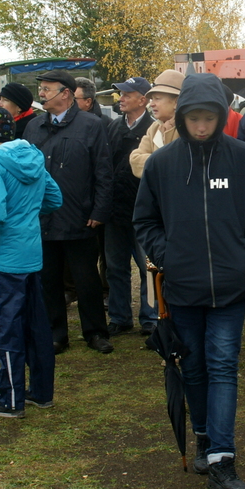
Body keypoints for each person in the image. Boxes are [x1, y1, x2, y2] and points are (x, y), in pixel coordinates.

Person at [133, 72, 245, 489]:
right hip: (183, 286)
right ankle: (203, 436)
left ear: (219, 116)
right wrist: (170, 255)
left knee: (223, 367)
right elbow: (145, 221)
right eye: (193, 118)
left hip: (231, 288)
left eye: (208, 118)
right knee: (192, 366)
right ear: (183, 115)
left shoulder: (244, 160)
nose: (200, 126)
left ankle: (222, 459)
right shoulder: (162, 164)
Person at [0, 107, 64, 418]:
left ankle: (10, 400)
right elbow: (54, 198)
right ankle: (41, 392)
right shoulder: (33, 156)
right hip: (31, 256)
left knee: (8, 328)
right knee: (36, 326)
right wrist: (26, 214)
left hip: (3, 260)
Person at [22, 70, 114, 355]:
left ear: (66, 93)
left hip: (80, 217)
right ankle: (55, 333)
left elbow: (103, 171)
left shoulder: (91, 125)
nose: (42, 94)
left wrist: (100, 210)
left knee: (86, 280)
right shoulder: (34, 128)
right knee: (48, 280)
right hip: (42, 219)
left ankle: (96, 332)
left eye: (48, 89)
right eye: (42, 89)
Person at [104, 76, 157, 337]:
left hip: (142, 210)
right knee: (115, 267)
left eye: (127, 94)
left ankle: (150, 317)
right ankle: (119, 316)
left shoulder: (154, 129)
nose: (121, 98)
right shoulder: (113, 128)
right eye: (120, 94)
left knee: (148, 266)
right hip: (116, 210)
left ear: (143, 100)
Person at [129, 69, 184, 178]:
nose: (152, 104)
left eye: (157, 99)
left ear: (176, 102)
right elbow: (135, 160)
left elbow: (181, 166)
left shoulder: (188, 128)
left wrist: (152, 161)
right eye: (152, 99)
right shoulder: (155, 127)